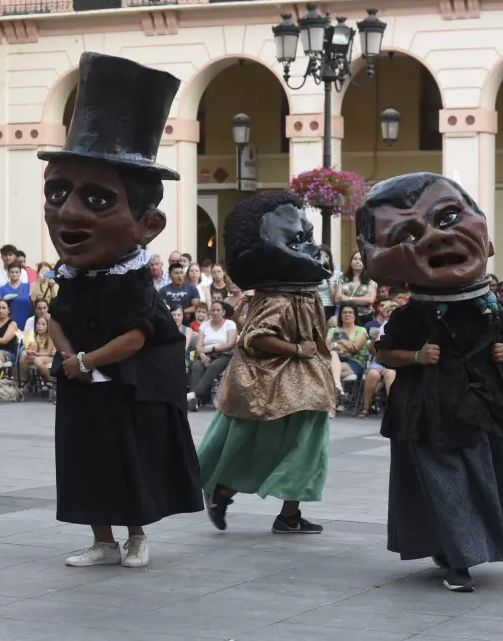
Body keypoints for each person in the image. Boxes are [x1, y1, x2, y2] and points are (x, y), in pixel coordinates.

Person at [38, 52, 203, 568]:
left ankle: (136, 536)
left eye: (97, 200)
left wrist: (84, 363)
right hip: (83, 384)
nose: (68, 212)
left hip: (128, 388)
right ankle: (101, 538)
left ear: (147, 225)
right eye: (57, 191)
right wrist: (68, 359)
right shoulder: (72, 276)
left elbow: (135, 338)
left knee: (126, 457)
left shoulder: (133, 282)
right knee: (85, 459)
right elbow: (56, 319)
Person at [357, 172, 503, 593]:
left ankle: (455, 547)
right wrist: (416, 357)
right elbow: (384, 352)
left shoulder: (491, 309)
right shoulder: (412, 315)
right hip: (432, 410)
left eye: (450, 216)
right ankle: (459, 560)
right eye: (406, 233)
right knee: (448, 483)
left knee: (489, 475)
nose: (436, 238)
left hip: (487, 406)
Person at [197, 191, 334, 534]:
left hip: (305, 382)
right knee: (269, 443)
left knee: (308, 445)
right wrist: (297, 350)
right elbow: (254, 338)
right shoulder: (279, 295)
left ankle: (288, 514)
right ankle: (223, 491)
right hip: (271, 381)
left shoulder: (303, 292)